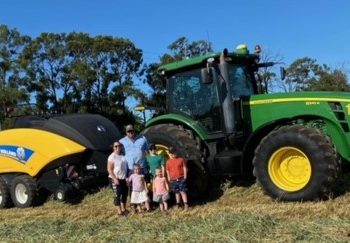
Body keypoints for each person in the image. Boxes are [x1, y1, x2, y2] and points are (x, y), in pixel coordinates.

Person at [107, 141, 128, 216]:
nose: (117, 147)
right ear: (113, 147)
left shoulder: (122, 155)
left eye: (119, 146)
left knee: (125, 194)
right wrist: (115, 179)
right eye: (115, 146)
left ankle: (124, 209)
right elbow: (109, 169)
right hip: (115, 178)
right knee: (117, 195)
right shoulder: (112, 157)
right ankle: (119, 212)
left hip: (123, 178)